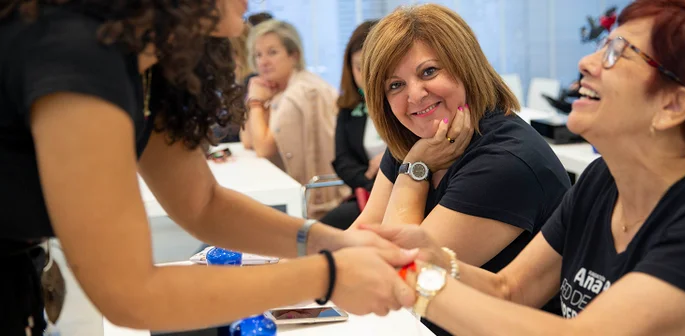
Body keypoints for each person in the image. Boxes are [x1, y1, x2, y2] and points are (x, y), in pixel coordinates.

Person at [362, 1, 685, 335]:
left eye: (617, 53)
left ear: (673, 105)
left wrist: (416, 278)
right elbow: (509, 289)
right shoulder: (603, 181)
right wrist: (438, 262)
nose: (587, 63)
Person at [0, 1, 417, 334]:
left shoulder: (146, 66)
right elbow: (128, 294)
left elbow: (202, 204)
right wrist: (327, 275)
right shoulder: (77, 55)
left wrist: (334, 244)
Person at [355, 4, 570, 334]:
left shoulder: (505, 162)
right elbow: (361, 238)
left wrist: (415, 169)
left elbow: (394, 271)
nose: (415, 95)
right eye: (395, 85)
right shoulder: (419, 138)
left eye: (428, 72)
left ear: (466, 67)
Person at [239, 19, 346, 219]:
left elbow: (262, 148)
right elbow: (247, 141)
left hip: (317, 202)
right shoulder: (281, 89)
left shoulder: (300, 93)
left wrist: (255, 103)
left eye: (272, 52)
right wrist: (258, 100)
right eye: (258, 55)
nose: (263, 61)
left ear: (294, 55)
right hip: (296, 193)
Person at [321, 20, 384, 230]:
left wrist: (388, 162)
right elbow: (343, 161)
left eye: (372, 66)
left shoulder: (407, 102)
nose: (366, 75)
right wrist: (370, 181)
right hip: (367, 194)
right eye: (359, 67)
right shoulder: (349, 107)